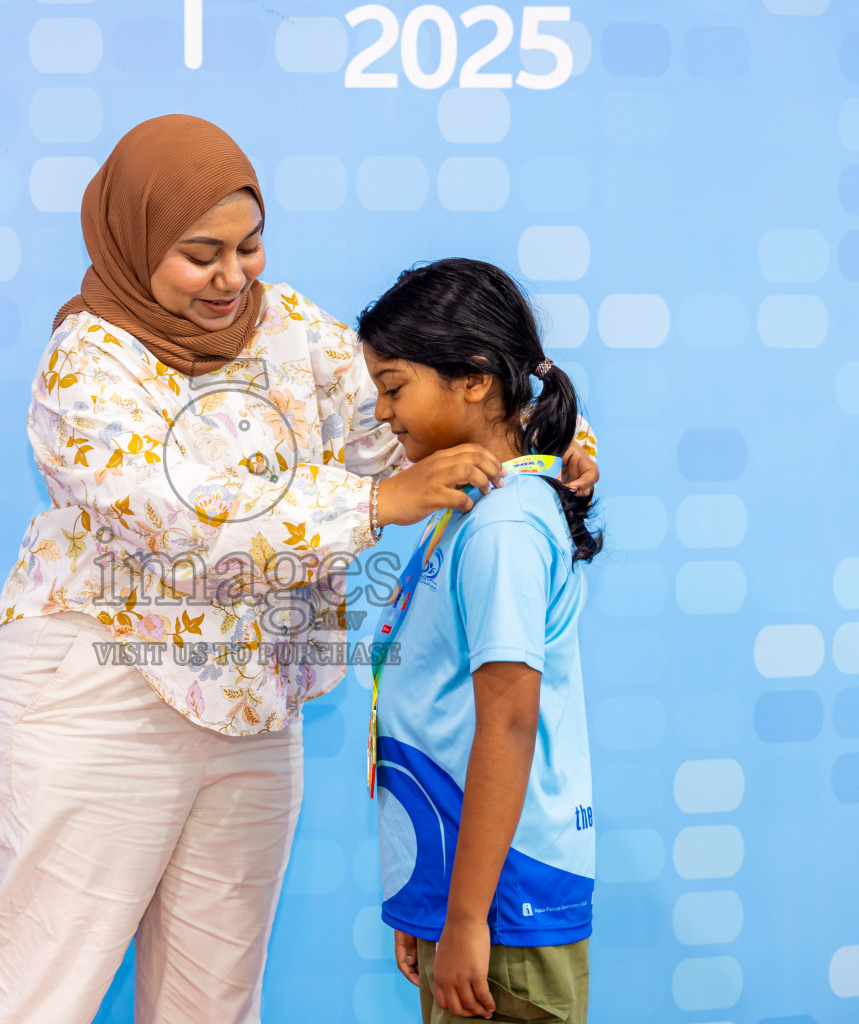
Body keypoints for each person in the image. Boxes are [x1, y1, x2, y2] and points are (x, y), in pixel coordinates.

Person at [0, 117, 601, 1024]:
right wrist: (374, 505)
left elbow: (412, 415)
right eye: (200, 254)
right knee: (39, 987)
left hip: (254, 709)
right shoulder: (86, 365)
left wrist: (540, 449)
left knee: (213, 1002)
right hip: (106, 696)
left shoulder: (288, 327)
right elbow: (179, 517)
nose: (232, 277)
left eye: (248, 247)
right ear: (136, 243)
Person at [360, 258, 603, 1024]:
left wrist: (465, 920)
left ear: (472, 377)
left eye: (393, 387)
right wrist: (429, 903)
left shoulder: (500, 527)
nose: (381, 412)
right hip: (469, 891)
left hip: (505, 904)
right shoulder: (464, 512)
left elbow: (506, 721)